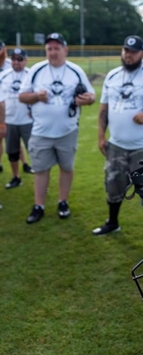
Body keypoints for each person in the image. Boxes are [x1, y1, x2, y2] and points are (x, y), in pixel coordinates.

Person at [92, 35, 143, 236]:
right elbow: (103, 107)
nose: (128, 55)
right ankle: (112, 222)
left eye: (133, 52)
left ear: (142, 54)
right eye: (125, 51)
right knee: (114, 184)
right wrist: (101, 136)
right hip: (116, 145)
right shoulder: (112, 76)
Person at [19, 33, 96, 224]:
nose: (53, 53)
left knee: (66, 168)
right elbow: (22, 96)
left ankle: (63, 201)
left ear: (65, 50)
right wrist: (37, 96)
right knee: (40, 170)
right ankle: (39, 205)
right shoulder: (37, 70)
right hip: (40, 131)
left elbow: (92, 96)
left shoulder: (75, 70)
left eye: (57, 48)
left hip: (67, 131)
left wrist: (86, 100)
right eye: (49, 49)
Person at [0, 48, 33, 189]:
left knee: (35, 151)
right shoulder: (4, 76)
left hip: (28, 121)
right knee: (12, 152)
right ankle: (16, 177)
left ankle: (40, 179)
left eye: (20, 59)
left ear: (26, 61)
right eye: (14, 59)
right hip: (10, 120)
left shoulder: (32, 75)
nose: (16, 62)